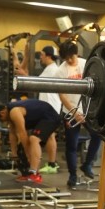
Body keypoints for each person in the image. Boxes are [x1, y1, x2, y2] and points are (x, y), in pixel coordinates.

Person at [55, 40, 102, 189]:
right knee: (72, 144)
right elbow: (62, 95)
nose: (69, 60)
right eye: (66, 58)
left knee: (97, 135)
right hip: (70, 111)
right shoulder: (60, 71)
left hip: (87, 109)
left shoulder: (86, 64)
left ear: (76, 54)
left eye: (71, 56)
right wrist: (74, 112)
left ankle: (87, 164)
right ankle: (72, 176)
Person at [0, 99, 61, 184]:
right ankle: (28, 174)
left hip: (50, 117)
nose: (2, 121)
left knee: (34, 139)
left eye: (1, 120)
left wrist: (28, 154)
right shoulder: (9, 112)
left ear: (2, 113)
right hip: (40, 118)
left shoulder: (14, 112)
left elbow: (22, 133)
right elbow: (12, 134)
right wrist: (14, 154)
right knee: (25, 144)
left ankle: (34, 174)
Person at [36, 46, 61, 174]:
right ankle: (51, 163)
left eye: (42, 54)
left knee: (50, 135)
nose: (40, 57)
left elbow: (37, 83)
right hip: (47, 107)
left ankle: (52, 164)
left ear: (48, 55)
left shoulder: (52, 69)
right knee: (49, 136)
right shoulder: (49, 68)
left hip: (51, 107)